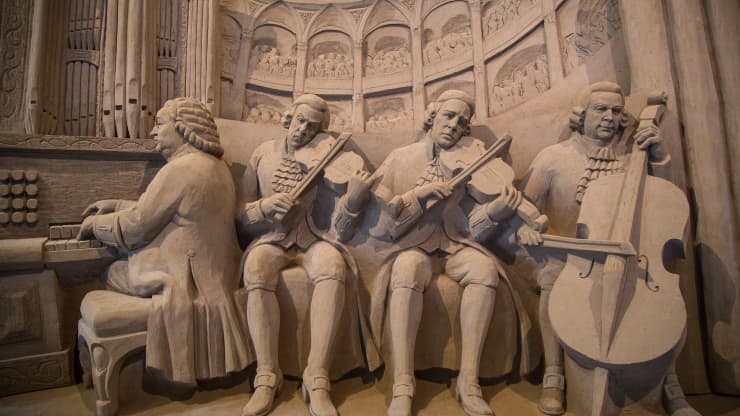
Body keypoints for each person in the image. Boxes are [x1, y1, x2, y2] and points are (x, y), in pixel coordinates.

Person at [521, 81, 698, 416]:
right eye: (600, 109)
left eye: (616, 111)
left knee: (668, 297)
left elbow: (666, 203)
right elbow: (525, 209)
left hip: (630, 253)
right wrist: (528, 229)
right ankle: (554, 376)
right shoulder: (554, 158)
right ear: (581, 115)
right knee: (551, 279)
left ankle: (670, 382)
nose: (609, 117)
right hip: (570, 256)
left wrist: (659, 159)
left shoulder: (634, 157)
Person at [370, 90, 525, 416]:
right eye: (449, 116)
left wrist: (495, 211)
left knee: (484, 269)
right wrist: (417, 195)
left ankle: (469, 382)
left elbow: (474, 230)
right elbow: (383, 222)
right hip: (411, 246)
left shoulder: (473, 161)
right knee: (408, 269)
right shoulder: (401, 157)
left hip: (456, 245)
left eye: (462, 122)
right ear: (433, 116)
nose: (455, 125)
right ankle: (403, 383)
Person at [77, 97, 250, 387]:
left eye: (159, 124)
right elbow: (168, 209)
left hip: (184, 276)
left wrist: (95, 226)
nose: (153, 132)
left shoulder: (180, 168)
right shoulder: (217, 167)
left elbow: (136, 229)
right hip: (219, 273)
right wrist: (119, 204)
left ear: (183, 127)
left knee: (110, 272)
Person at [237, 94, 376, 416]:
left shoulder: (327, 156)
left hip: (314, 236)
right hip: (272, 238)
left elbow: (341, 226)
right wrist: (262, 208)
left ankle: (318, 377)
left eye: (313, 127)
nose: (304, 130)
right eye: (300, 121)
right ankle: (266, 376)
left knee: (332, 264)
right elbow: (241, 213)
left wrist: (353, 201)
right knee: (257, 266)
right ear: (288, 118)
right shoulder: (262, 154)